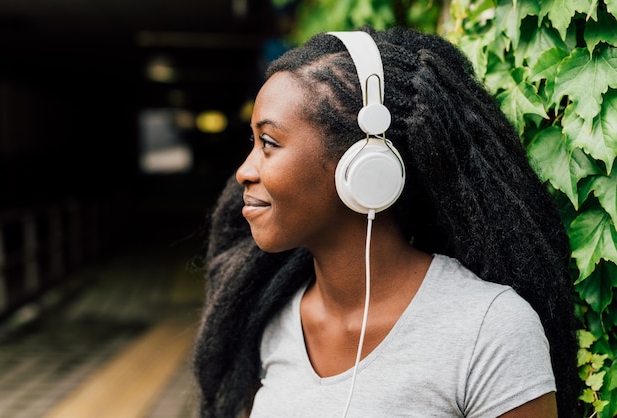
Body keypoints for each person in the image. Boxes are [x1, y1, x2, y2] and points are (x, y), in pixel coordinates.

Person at [193, 26, 579, 417]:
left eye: (269, 143)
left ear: (364, 166)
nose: (244, 171)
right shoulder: (274, 319)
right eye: (252, 144)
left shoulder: (490, 329)